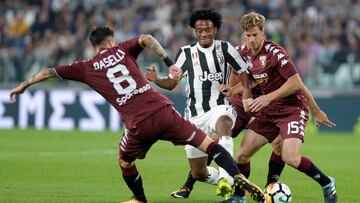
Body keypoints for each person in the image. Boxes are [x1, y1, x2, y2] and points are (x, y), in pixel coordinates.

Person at [9, 26, 264, 203]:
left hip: (138, 124)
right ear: (111, 40)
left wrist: (24, 85)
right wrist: (168, 62)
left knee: (124, 161)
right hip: (164, 110)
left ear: (94, 46)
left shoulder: (85, 67)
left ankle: (139, 198)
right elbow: (146, 38)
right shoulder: (123, 48)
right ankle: (237, 177)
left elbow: (47, 72)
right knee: (209, 144)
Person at [220, 11, 338, 203]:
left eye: (255, 35)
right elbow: (250, 81)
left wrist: (314, 109)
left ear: (263, 32)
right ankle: (239, 197)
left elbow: (296, 82)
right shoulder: (242, 52)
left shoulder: (275, 52)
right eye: (248, 35)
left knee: (290, 157)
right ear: (243, 34)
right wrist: (232, 90)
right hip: (269, 110)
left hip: (292, 108)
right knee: (241, 155)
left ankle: (327, 183)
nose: (252, 40)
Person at [145, 8, 254, 200]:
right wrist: (156, 79)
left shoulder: (226, 49)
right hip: (194, 116)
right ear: (195, 31)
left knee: (224, 125)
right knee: (199, 173)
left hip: (220, 106)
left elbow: (244, 70)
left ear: (215, 30)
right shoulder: (185, 53)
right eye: (199, 30)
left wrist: (245, 93)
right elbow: (172, 83)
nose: (203, 33)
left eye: (207, 29)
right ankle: (223, 178)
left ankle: (227, 180)